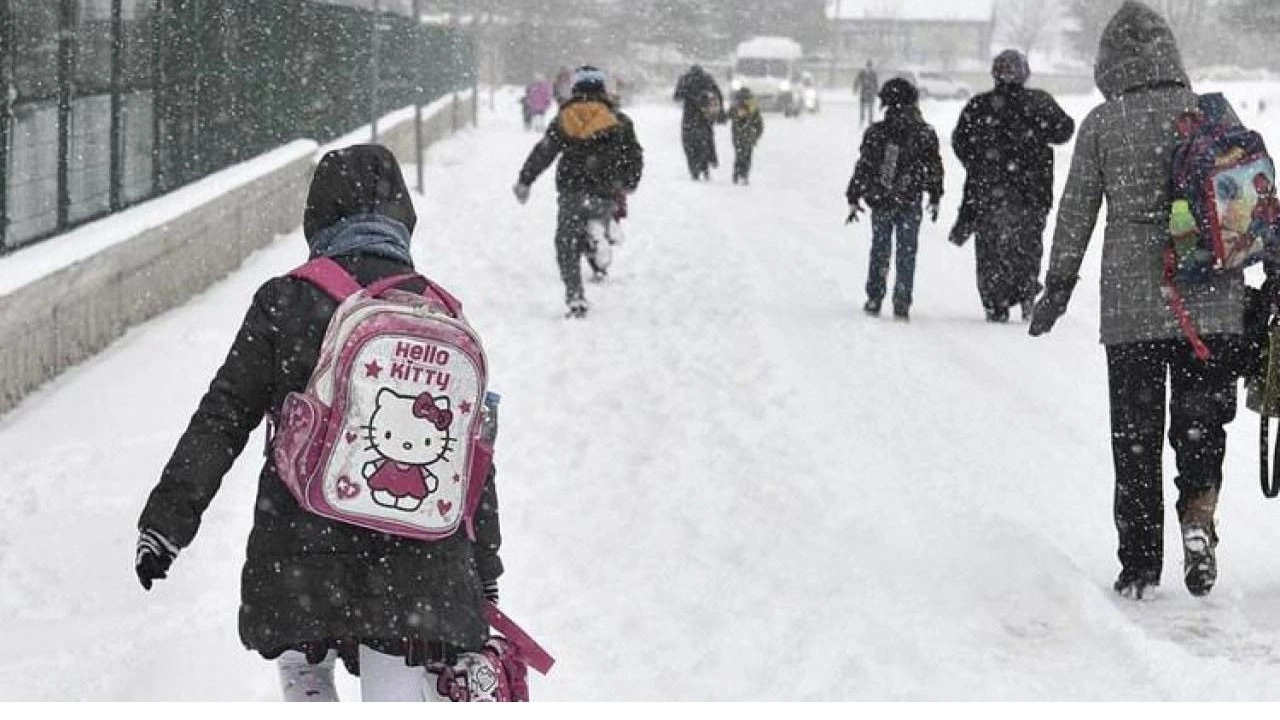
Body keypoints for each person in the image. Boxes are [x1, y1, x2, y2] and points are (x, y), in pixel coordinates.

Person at [134, 144, 504, 701]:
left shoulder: (286, 300)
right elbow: (469, 457)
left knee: (304, 665)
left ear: (318, 217)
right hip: (417, 562)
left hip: (301, 548)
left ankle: (307, 681)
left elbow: (224, 415)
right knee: (400, 682)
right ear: (402, 218)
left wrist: (167, 522)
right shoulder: (438, 312)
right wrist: (485, 567)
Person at [1028, 1, 1243, 600]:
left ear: (1108, 62)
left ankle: (1140, 565)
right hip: (1212, 303)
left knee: (1137, 438)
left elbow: (1075, 216)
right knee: (1200, 427)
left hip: (1132, 310)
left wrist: (1056, 290)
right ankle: (1198, 520)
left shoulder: (1103, 123)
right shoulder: (1205, 115)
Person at [951, 49, 1075, 323]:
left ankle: (996, 301)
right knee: (1027, 246)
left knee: (990, 249)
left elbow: (960, 141)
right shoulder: (1039, 102)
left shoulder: (979, 106)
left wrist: (979, 164)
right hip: (1032, 192)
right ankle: (1026, 291)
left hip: (988, 192)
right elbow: (1065, 130)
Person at [513, 66, 644, 318]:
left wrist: (525, 180)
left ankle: (575, 296)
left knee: (566, 242)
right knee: (598, 218)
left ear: (575, 89)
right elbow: (634, 155)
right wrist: (629, 182)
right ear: (603, 90)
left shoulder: (564, 118)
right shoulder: (619, 121)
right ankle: (601, 236)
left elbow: (544, 152)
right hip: (606, 189)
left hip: (572, 189)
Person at [845, 78, 943, 321]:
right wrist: (935, 194)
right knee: (907, 251)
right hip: (911, 199)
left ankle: (874, 296)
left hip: (881, 198)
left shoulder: (877, 132)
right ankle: (902, 300)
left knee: (880, 248)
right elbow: (934, 166)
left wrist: (854, 194)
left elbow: (864, 166)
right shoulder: (924, 133)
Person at [673, 65, 724, 181]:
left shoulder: (685, 79)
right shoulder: (707, 79)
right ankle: (706, 164)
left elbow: (676, 96)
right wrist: (720, 112)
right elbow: (718, 94)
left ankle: (694, 169)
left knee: (689, 144)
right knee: (705, 141)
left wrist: (688, 95)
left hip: (689, 116)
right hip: (704, 115)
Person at [728, 87, 764, 185]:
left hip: (738, 136)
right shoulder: (753, 109)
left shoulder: (736, 107)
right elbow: (759, 124)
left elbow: (729, 115)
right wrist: (756, 135)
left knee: (739, 155)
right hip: (749, 136)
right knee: (746, 156)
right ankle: (743, 174)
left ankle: (737, 174)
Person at [853, 60, 879, 128]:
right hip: (864, 92)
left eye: (870, 66)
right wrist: (855, 88)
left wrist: (876, 91)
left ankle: (870, 121)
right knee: (862, 107)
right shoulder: (862, 72)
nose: (869, 67)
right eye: (868, 66)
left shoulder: (874, 73)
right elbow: (857, 80)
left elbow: (876, 82)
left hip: (870, 93)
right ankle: (862, 120)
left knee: (870, 108)